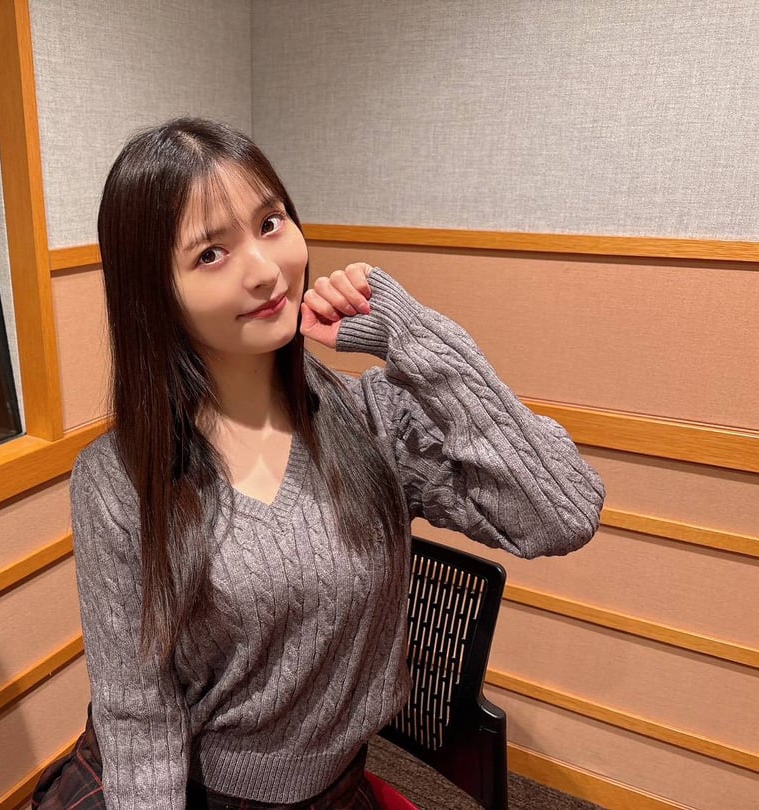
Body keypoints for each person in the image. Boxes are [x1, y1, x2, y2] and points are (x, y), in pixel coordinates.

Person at [33, 118, 605, 809]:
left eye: (270, 223)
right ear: (155, 294)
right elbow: (138, 716)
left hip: (336, 789)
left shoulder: (373, 418)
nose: (265, 270)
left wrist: (415, 337)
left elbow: (563, 513)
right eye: (210, 254)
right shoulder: (118, 479)